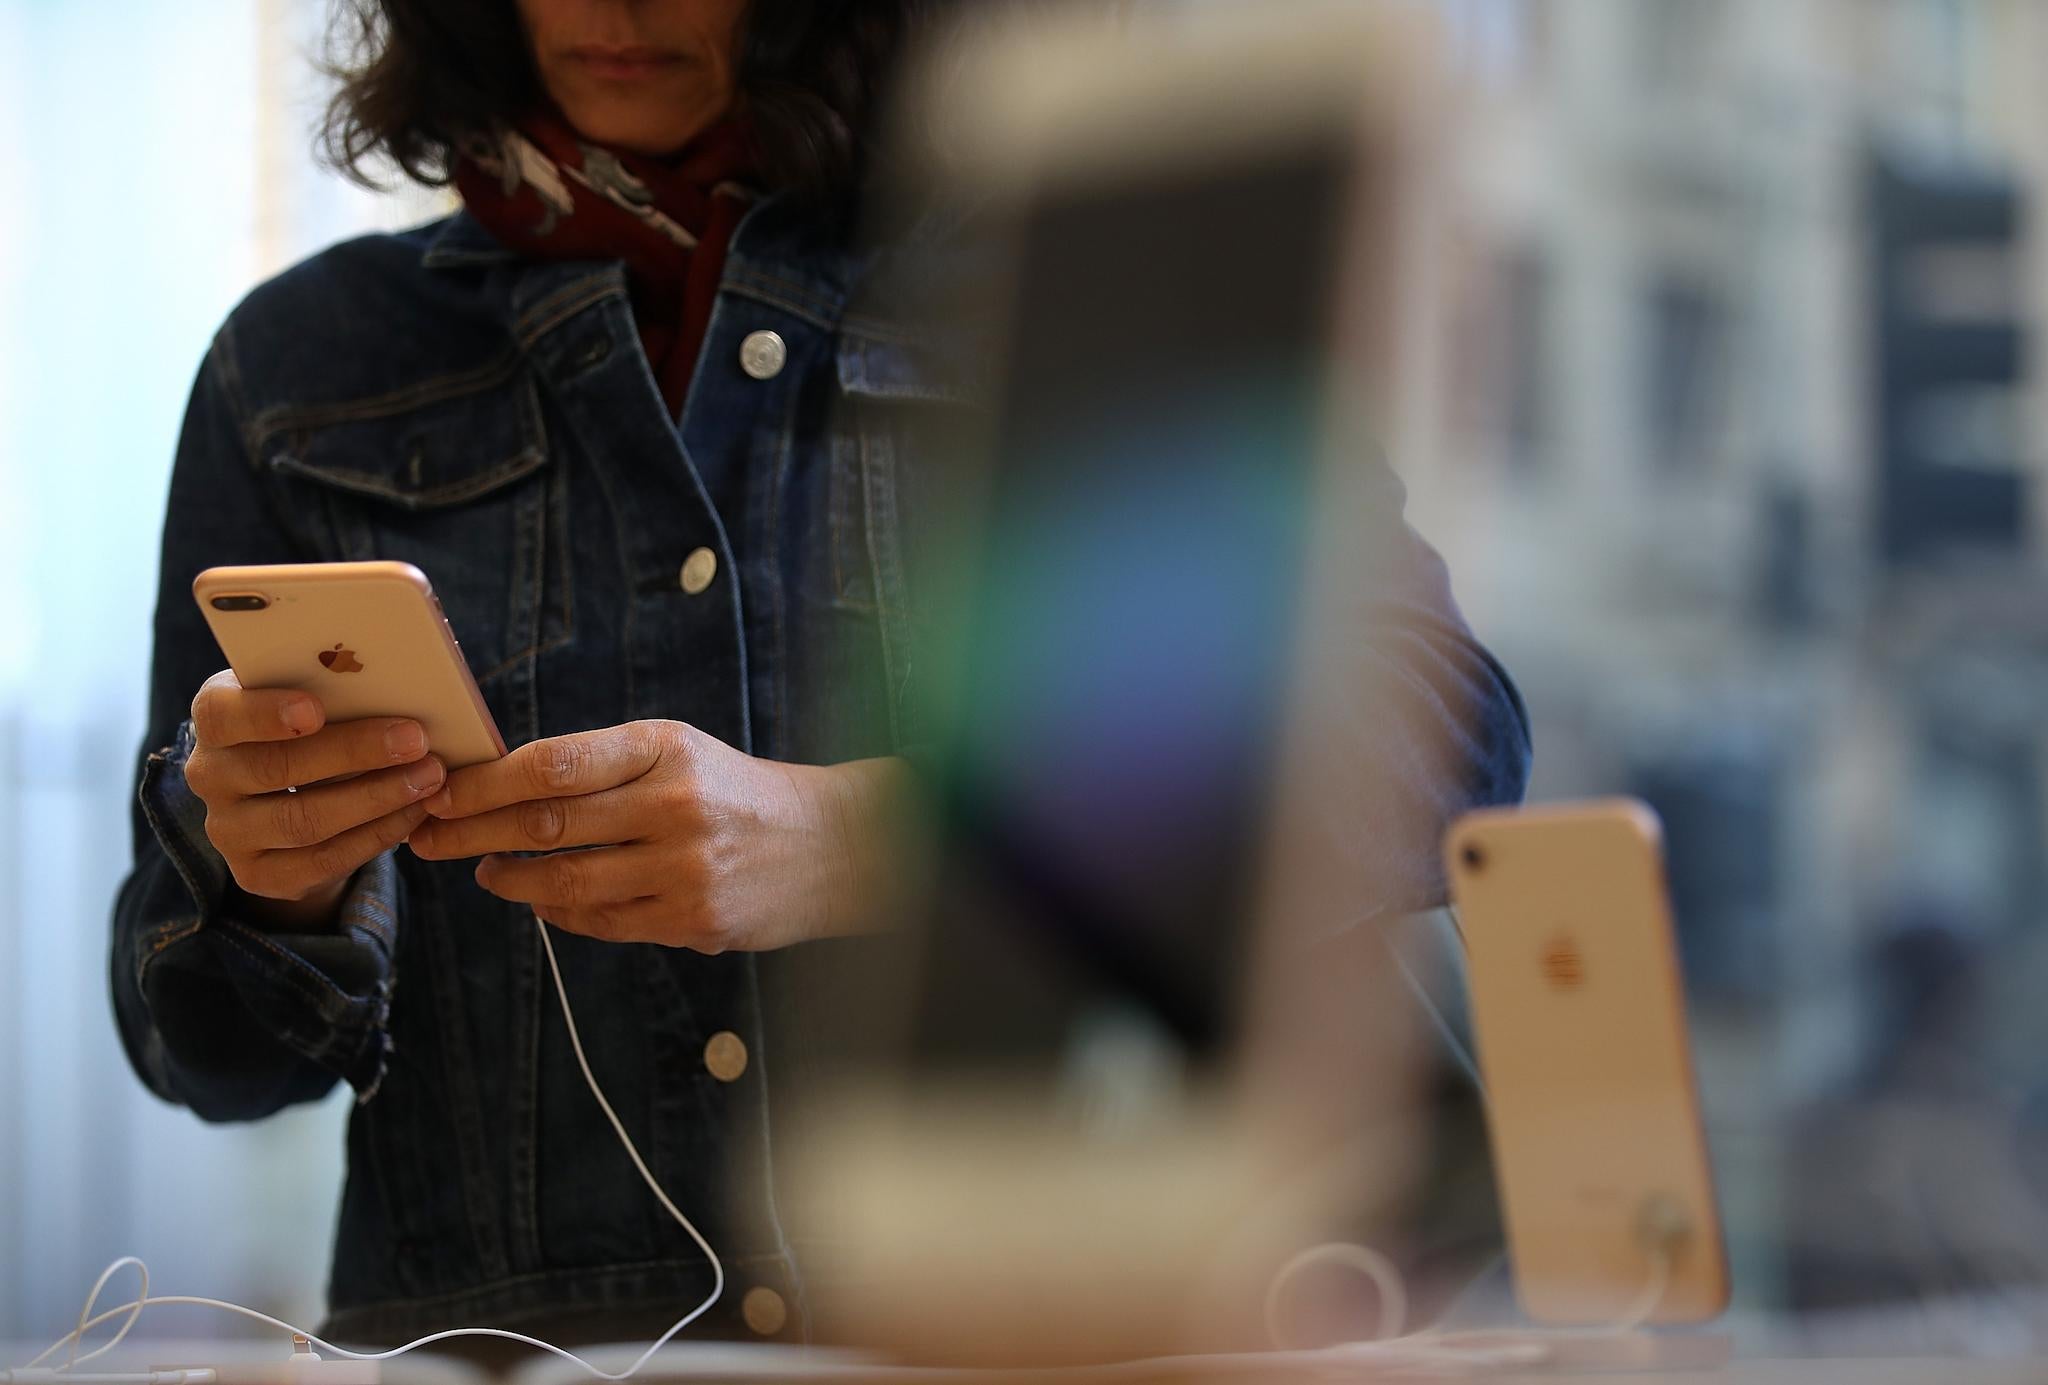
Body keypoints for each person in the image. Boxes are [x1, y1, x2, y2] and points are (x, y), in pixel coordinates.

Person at [109, 0, 1533, 1354]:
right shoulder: (299, 368)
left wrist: (874, 843)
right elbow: (203, 1059)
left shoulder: (1076, 290)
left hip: (1039, 1343)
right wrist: (269, 885)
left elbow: (1448, 736)